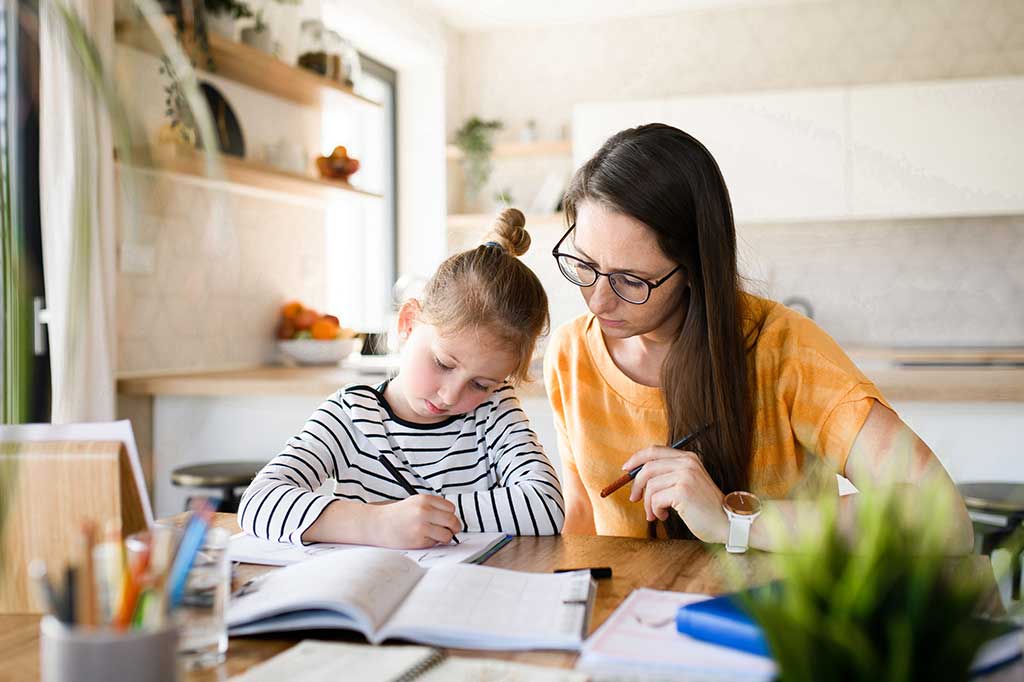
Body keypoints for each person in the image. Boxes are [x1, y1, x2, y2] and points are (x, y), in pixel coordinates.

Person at [543, 123, 972, 552]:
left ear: (693, 269)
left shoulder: (785, 350)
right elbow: (582, 524)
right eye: (583, 263)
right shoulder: (570, 353)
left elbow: (944, 517)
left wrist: (734, 519)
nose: (597, 302)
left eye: (630, 281)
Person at [241, 209, 564, 549]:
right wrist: (375, 523)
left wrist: (423, 518)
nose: (451, 396)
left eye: (481, 384)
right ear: (408, 323)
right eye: (443, 363)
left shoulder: (494, 410)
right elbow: (259, 502)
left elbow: (546, 505)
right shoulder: (351, 415)